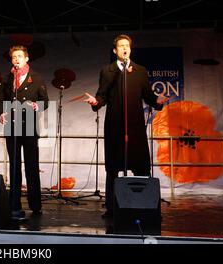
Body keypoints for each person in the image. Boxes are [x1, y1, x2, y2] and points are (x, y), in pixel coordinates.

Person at [84, 34, 168, 218]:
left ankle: (143, 203)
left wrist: (158, 101)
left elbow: (148, 95)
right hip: (114, 125)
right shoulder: (108, 71)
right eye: (121, 46)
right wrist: (95, 102)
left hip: (135, 126)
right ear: (115, 50)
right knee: (113, 167)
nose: (124, 48)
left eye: (127, 46)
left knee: (141, 166)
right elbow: (102, 96)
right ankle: (112, 207)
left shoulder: (140, 71)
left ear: (130, 49)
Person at [0, 45, 49, 220]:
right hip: (12, 126)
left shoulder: (37, 78)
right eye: (14, 57)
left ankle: (35, 204)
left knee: (31, 166)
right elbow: (0, 99)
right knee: (14, 166)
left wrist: (36, 106)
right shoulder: (7, 78)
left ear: (26, 59)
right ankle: (14, 205)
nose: (16, 59)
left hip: (29, 126)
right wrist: (2, 112)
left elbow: (45, 102)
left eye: (19, 56)